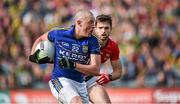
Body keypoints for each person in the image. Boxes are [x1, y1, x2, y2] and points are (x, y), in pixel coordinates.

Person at [29, 9, 101, 104]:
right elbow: (40, 38)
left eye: (94, 23)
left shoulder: (93, 41)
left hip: (80, 84)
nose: (93, 26)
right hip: (59, 80)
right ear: (78, 23)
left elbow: (95, 70)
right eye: (90, 23)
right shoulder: (59, 34)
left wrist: (73, 65)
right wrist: (32, 55)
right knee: (76, 101)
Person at [86, 14, 122, 103]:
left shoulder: (113, 46)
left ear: (111, 29)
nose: (103, 31)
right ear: (94, 29)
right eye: (100, 28)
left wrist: (108, 77)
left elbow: (118, 72)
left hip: (89, 80)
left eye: (106, 28)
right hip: (72, 79)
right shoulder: (85, 40)